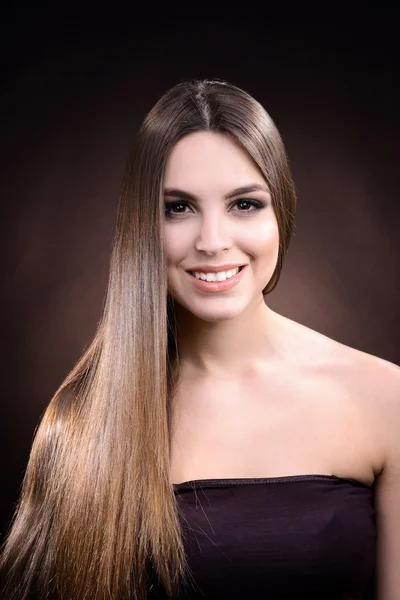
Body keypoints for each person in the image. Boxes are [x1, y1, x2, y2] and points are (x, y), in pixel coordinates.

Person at [0, 78, 399, 600]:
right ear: (143, 224)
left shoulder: (385, 399)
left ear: (282, 212)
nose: (213, 242)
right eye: (178, 208)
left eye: (245, 204)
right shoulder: (81, 422)